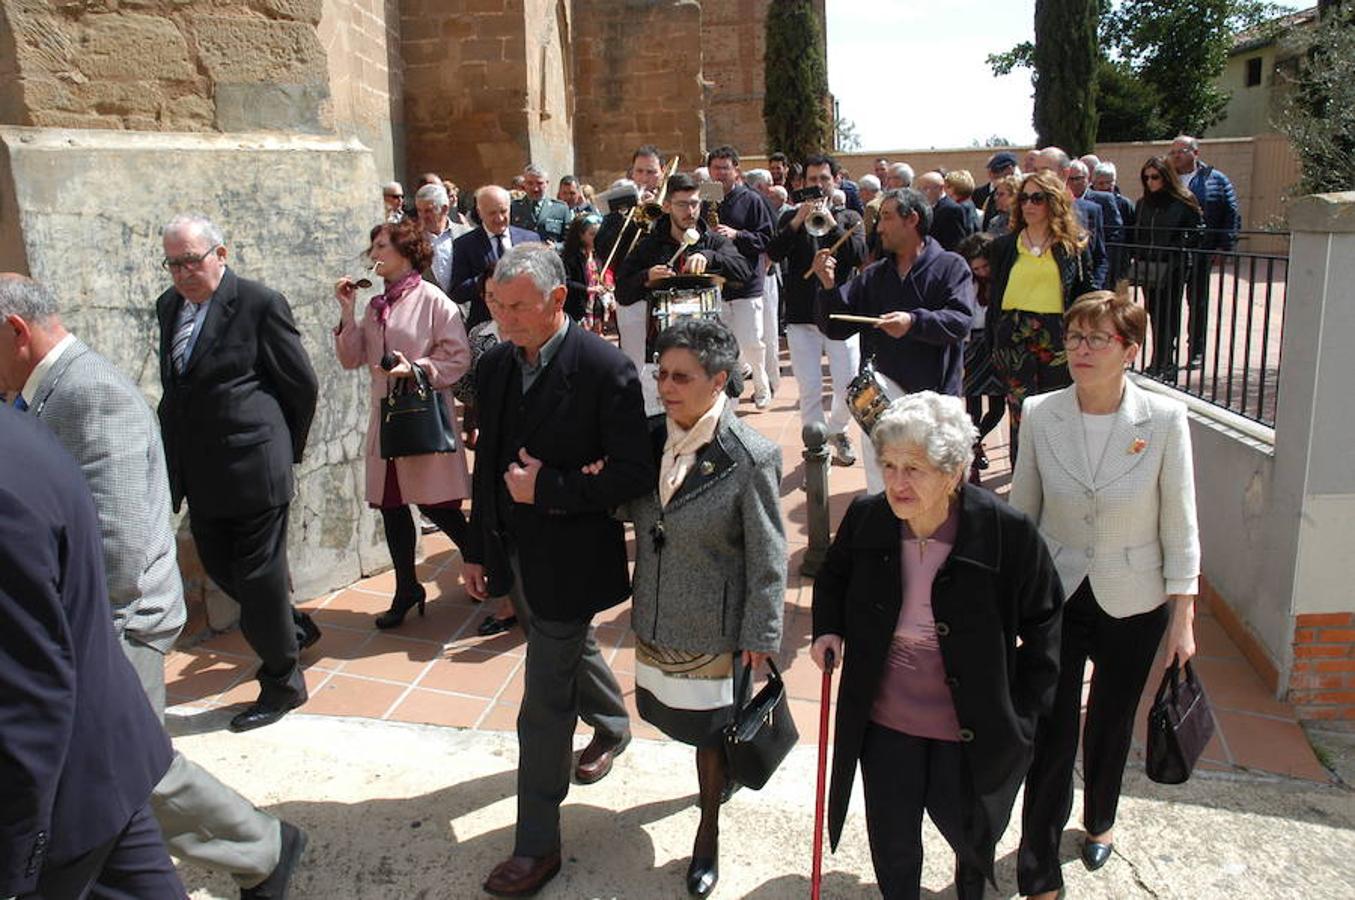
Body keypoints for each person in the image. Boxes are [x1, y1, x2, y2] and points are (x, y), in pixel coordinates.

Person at [0, 275, 307, 897]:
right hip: (96, 622)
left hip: (121, 619)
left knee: (130, 769)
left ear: (16, 333)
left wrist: (90, 628)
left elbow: (120, 536)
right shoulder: (46, 389)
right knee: (123, 773)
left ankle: (265, 845)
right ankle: (258, 849)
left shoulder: (88, 391)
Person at [811, 392, 1063, 900]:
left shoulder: (1004, 532)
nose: (896, 484)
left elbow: (1045, 624)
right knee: (893, 837)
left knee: (970, 838)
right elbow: (833, 577)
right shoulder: (868, 517)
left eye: (915, 469)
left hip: (967, 724)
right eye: (888, 466)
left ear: (953, 473)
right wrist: (828, 629)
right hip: (885, 720)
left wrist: (1023, 713)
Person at [463, 243, 655, 897]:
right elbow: (488, 463)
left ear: (557, 301)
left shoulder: (605, 370)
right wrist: (476, 550)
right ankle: (613, 723)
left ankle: (536, 847)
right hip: (512, 553)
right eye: (496, 303)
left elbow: (632, 475)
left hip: (570, 561)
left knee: (541, 706)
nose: (504, 317)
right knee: (562, 641)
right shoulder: (493, 365)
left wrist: (550, 490)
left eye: (517, 306)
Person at [1011, 291, 1200, 900]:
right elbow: (1024, 514)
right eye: (1074, 338)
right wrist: (1013, 600)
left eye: (1098, 340)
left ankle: (1101, 817)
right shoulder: (1041, 413)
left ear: (1130, 351)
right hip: (1059, 595)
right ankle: (1037, 860)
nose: (1082, 350)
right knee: (1051, 727)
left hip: (1134, 596)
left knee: (1112, 723)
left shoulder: (1165, 420)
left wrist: (1183, 617)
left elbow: (1180, 522)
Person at [619, 318, 787, 897]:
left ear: (718, 381)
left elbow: (770, 556)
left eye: (681, 377)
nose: (667, 386)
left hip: (714, 625)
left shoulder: (751, 457)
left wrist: (762, 636)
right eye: (662, 374)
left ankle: (707, 832)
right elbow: (630, 505)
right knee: (676, 718)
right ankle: (715, 793)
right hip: (659, 612)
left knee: (712, 735)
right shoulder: (645, 439)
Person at [0, 403, 184, 899]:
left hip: (57, 794)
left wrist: (14, 862)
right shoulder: (19, 431)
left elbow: (25, 693)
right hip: (97, 764)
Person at [155, 213, 321, 733]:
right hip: (201, 471)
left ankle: (283, 683)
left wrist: (279, 451)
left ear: (220, 255)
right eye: (173, 263)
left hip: (253, 468)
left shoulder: (258, 303)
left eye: (192, 260)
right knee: (225, 570)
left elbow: (301, 385)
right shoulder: (169, 307)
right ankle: (292, 627)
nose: (183, 273)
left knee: (257, 580)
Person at [334, 219, 474, 629]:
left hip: (421, 416)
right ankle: (406, 588)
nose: (374, 254)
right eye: (373, 246)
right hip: (387, 419)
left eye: (382, 246)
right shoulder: (376, 306)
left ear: (406, 251)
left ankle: (489, 565)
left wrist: (416, 368)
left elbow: (458, 357)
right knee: (392, 508)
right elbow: (351, 358)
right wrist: (346, 312)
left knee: (438, 506)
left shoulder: (434, 300)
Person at [812, 187, 974, 494]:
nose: (879, 227)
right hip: (883, 398)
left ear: (911, 219)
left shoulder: (951, 266)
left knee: (937, 488)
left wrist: (913, 322)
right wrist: (829, 284)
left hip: (935, 399)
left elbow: (960, 321)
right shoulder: (875, 275)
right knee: (885, 486)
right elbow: (837, 326)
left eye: (886, 217)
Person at [616, 172, 753, 415]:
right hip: (662, 349)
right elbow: (623, 292)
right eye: (682, 204)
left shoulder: (712, 241)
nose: (690, 211)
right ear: (667, 206)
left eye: (695, 203)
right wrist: (646, 276)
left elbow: (743, 271)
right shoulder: (649, 246)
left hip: (708, 347)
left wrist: (710, 257)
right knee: (660, 424)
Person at [984, 170, 1096, 462]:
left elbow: (1086, 291)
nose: (1029, 204)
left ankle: (1055, 477)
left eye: (1038, 198)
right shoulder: (1004, 246)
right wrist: (990, 339)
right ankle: (1022, 480)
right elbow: (994, 296)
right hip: (1013, 334)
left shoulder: (1073, 246)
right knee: (1021, 412)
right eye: (1024, 198)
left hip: (1056, 334)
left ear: (1054, 201)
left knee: (1056, 408)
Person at [767, 153, 866, 467]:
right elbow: (772, 253)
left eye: (824, 179)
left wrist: (833, 223)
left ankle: (836, 430)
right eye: (812, 180)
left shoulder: (850, 218)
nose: (818, 185)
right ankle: (815, 446)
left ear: (836, 181)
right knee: (809, 387)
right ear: (802, 184)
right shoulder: (790, 219)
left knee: (848, 386)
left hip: (840, 315)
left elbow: (858, 255)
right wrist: (798, 220)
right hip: (801, 316)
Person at [708, 145, 777, 408]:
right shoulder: (709, 195)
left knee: (751, 339)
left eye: (725, 168)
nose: (720, 173)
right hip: (718, 278)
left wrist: (736, 234)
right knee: (723, 340)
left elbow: (766, 238)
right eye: (716, 168)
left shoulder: (752, 199)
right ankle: (731, 389)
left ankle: (761, 385)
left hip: (747, 280)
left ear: (736, 170)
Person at [1168, 135, 1241, 367]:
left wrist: (1224, 246)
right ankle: (1166, 351)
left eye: (1182, 151)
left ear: (1195, 153)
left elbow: (1231, 214)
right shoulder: (1167, 178)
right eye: (1173, 152)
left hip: (1202, 251)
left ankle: (1196, 352)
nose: (1176, 155)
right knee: (1169, 303)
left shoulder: (1216, 180)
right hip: (1173, 252)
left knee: (1197, 302)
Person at [1132, 156, 1203, 379]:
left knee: (1169, 312)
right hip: (1150, 266)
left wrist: (1176, 246)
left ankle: (1166, 361)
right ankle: (1159, 359)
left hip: (1174, 265)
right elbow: (1139, 232)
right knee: (1153, 311)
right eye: (1147, 177)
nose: (1150, 181)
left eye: (1155, 177)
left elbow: (1198, 231)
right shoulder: (1143, 203)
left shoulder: (1183, 201)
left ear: (1166, 177)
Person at [955, 234, 1007, 483]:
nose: (982, 272)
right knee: (973, 408)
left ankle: (975, 442)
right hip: (973, 346)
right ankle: (972, 457)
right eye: (976, 268)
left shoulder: (1001, 281)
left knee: (998, 407)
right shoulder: (967, 284)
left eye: (985, 266)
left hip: (996, 344)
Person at [449, 185, 539, 328]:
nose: (499, 218)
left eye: (503, 211)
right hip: (486, 326)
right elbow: (457, 292)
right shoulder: (465, 244)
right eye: (492, 213)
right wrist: (488, 279)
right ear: (479, 212)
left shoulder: (530, 239)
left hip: (526, 323)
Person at [416, 182, 473, 295]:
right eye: (419, 210)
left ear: (444, 209)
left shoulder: (466, 235)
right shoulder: (413, 240)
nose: (422, 216)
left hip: (463, 309)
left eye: (428, 211)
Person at [560, 212, 612, 330]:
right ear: (581, 235)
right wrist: (588, 289)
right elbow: (565, 281)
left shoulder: (598, 255)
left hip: (596, 308)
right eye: (592, 234)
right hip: (578, 310)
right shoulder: (570, 257)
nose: (597, 238)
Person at [511, 163, 572, 245]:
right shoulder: (514, 207)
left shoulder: (560, 209)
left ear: (547, 183)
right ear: (524, 184)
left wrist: (556, 247)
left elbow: (570, 240)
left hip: (551, 256)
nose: (535, 189)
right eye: (530, 183)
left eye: (539, 183)